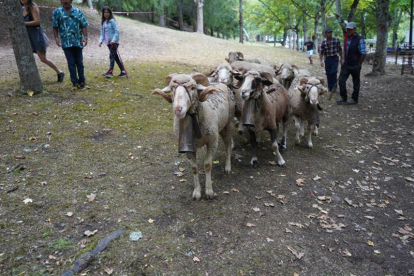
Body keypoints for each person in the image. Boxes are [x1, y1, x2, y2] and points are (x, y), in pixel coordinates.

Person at [21, 0, 65, 82]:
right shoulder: (21, 8)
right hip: (28, 37)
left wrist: (23, 23)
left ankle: (59, 72)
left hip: (37, 36)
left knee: (43, 58)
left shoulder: (33, 7)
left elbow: (37, 22)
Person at [52, 0, 88, 88]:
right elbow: (55, 26)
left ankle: (82, 81)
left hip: (77, 41)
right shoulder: (57, 12)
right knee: (71, 62)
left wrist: (85, 37)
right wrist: (57, 38)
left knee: (79, 62)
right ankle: (74, 82)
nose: (65, 1)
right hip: (66, 42)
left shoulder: (78, 11)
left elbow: (83, 25)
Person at [337, 22, 366, 105]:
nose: (349, 30)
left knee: (356, 82)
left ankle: (354, 99)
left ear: (355, 29)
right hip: (346, 64)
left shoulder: (360, 39)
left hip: (355, 65)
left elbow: (363, 53)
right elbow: (345, 50)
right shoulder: (346, 37)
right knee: (341, 81)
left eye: (350, 29)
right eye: (348, 29)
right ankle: (343, 97)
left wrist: (358, 64)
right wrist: (342, 60)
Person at [98, 7, 126, 78]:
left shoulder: (112, 21)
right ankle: (123, 71)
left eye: (107, 12)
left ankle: (110, 72)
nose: (106, 14)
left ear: (110, 13)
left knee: (111, 56)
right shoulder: (104, 22)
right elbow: (102, 33)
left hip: (114, 42)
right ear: (103, 13)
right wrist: (100, 41)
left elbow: (117, 31)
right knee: (115, 57)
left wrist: (114, 40)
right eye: (105, 12)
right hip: (108, 43)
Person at [319, 28, 342, 95]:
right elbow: (321, 52)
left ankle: (334, 87)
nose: (330, 34)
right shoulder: (324, 42)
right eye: (328, 33)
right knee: (328, 73)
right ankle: (330, 87)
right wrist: (321, 61)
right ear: (326, 34)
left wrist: (341, 58)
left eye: (331, 32)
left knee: (333, 72)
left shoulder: (336, 40)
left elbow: (340, 49)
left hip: (335, 58)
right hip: (327, 59)